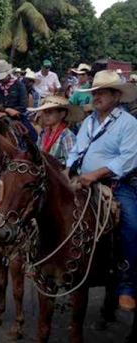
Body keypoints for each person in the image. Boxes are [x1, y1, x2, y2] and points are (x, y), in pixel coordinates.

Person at [66, 70, 137, 311]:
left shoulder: (129, 123)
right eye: (94, 92)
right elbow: (77, 150)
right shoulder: (88, 121)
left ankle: (126, 285)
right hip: (82, 181)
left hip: (116, 185)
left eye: (101, 92)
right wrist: (67, 170)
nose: (96, 96)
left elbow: (128, 159)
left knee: (132, 226)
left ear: (116, 96)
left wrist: (95, 174)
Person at [0, 59, 37, 142]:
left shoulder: (19, 85)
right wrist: (3, 110)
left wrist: (7, 110)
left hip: (17, 117)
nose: (0, 79)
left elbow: (23, 105)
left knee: (33, 135)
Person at [31, 95, 82, 164]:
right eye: (45, 112)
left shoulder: (67, 136)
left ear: (62, 114)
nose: (46, 115)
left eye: (50, 112)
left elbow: (71, 162)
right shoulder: (44, 133)